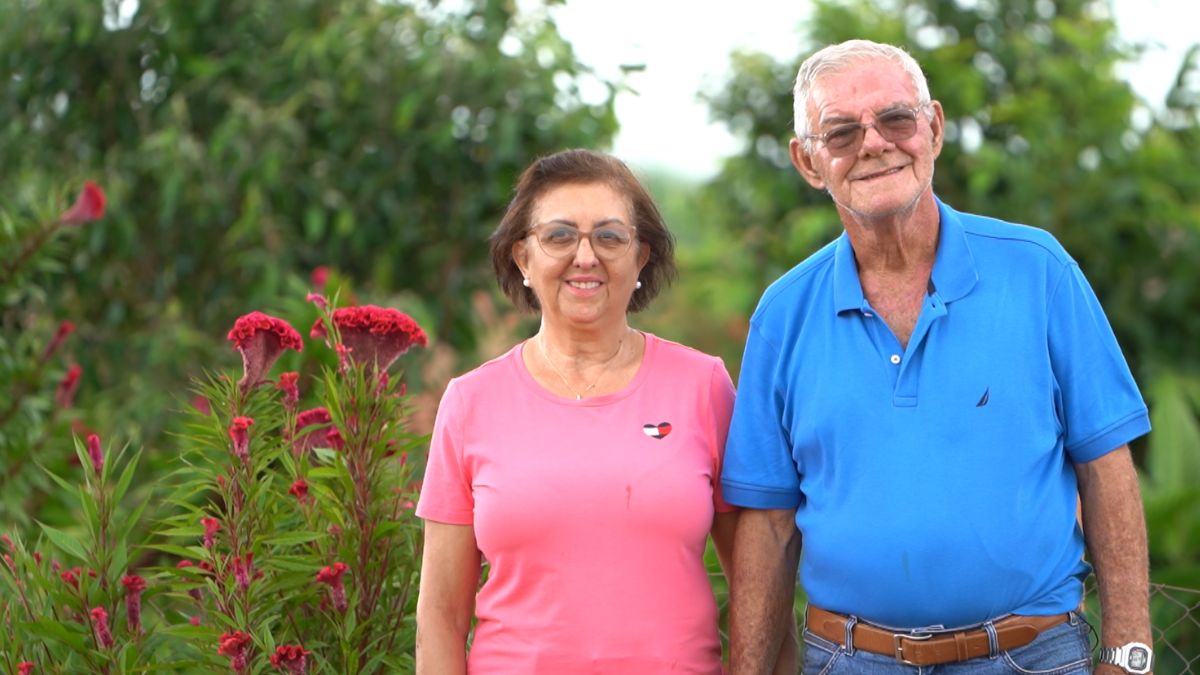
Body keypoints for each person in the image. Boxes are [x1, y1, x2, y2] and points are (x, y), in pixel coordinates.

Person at [722, 39, 1154, 675]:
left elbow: (1107, 468)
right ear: (809, 162)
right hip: (849, 660)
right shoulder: (783, 314)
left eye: (895, 118)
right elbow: (768, 523)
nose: (874, 144)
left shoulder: (1038, 271)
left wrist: (1129, 656)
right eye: (840, 132)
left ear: (934, 128)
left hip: (1031, 656)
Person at [415, 149, 740, 674]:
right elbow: (440, 614)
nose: (585, 257)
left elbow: (754, 580)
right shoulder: (470, 402)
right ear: (523, 257)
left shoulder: (702, 386)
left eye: (610, 236)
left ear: (642, 257)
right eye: (559, 235)